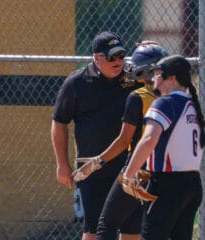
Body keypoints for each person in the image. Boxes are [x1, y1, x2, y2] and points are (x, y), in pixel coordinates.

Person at [51, 31, 142, 240]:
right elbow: (59, 123)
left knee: (131, 228)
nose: (118, 61)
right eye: (111, 57)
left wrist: (151, 51)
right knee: (94, 230)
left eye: (121, 55)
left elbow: (163, 74)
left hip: (128, 164)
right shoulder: (77, 83)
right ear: (96, 57)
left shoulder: (131, 76)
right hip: (93, 167)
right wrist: (62, 164)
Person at [73, 44, 169, 240]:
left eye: (137, 65)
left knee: (106, 224)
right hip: (166, 169)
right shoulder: (176, 98)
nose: (131, 68)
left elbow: (123, 141)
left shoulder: (138, 97)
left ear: (146, 70)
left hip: (138, 168)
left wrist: (97, 161)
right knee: (142, 230)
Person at [123, 54, 205, 240]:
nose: (154, 78)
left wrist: (129, 174)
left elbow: (148, 140)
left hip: (167, 184)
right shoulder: (192, 104)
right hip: (192, 184)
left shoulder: (165, 102)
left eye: (158, 74)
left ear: (172, 78)